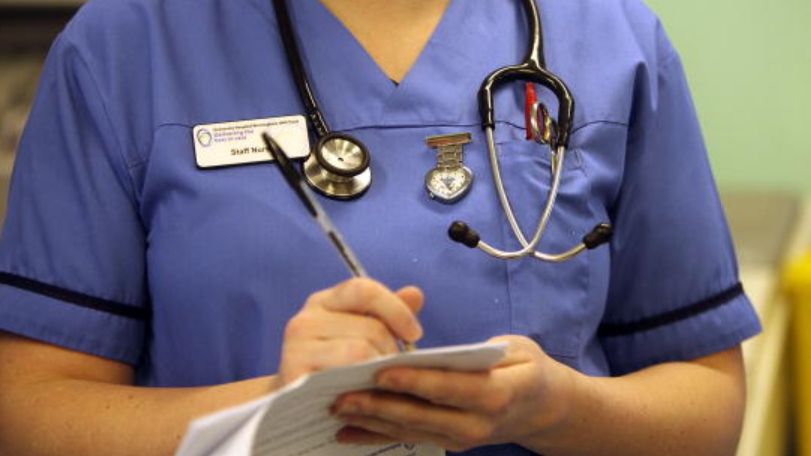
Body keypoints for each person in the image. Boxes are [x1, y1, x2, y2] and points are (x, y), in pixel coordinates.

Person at [0, 0, 761, 454]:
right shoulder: (128, 44)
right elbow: (30, 416)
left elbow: (707, 411)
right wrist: (274, 410)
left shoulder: (610, 38)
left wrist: (558, 409)